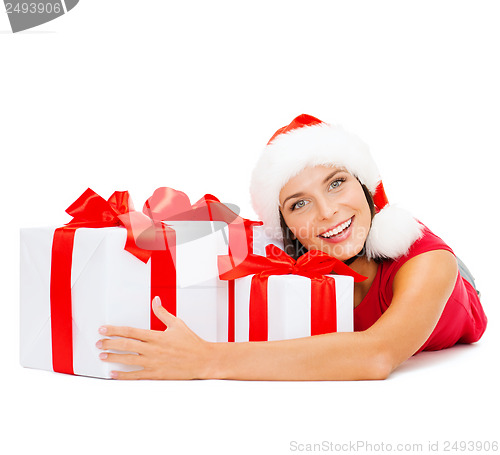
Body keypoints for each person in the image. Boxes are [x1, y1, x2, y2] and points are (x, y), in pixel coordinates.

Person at [96, 114, 487, 381]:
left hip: (453, 290)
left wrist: (206, 359)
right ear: (285, 225)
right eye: (299, 203)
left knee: (440, 264)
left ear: (367, 189)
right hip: (325, 252)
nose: (327, 211)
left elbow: (378, 355)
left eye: (337, 183)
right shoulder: (297, 256)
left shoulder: (429, 261)